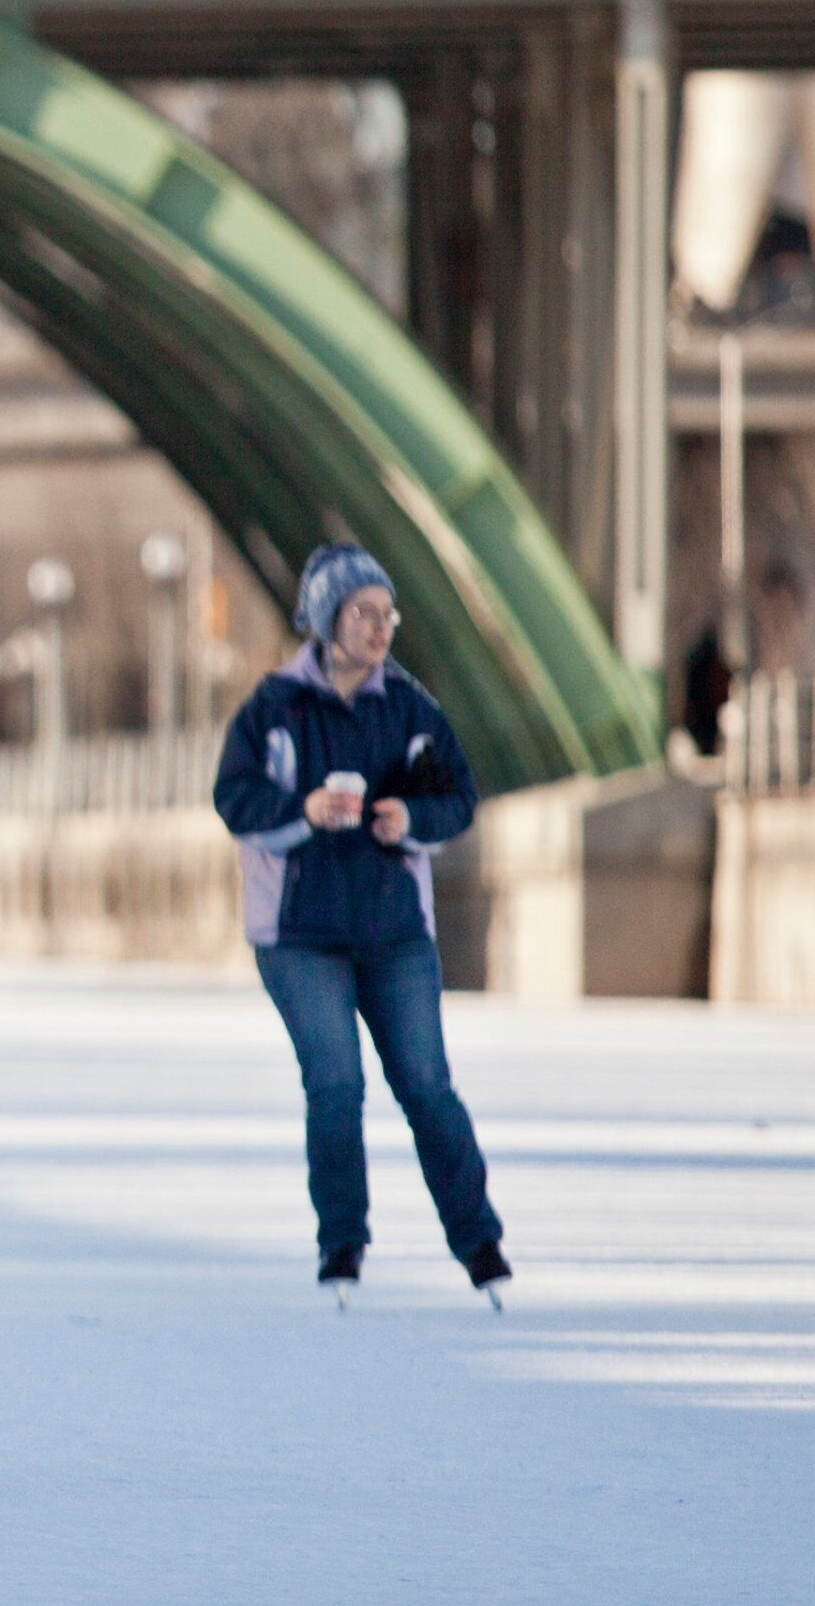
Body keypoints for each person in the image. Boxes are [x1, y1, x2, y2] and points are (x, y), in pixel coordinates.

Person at [214, 544, 508, 1310]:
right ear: (326, 620)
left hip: (392, 933)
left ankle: (479, 1242)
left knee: (426, 1085)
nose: (381, 629)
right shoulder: (274, 708)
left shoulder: (409, 709)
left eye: (387, 614)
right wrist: (302, 813)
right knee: (336, 1084)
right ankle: (341, 1246)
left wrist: (412, 818)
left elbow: (459, 797)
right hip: (298, 934)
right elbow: (234, 799)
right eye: (364, 614)